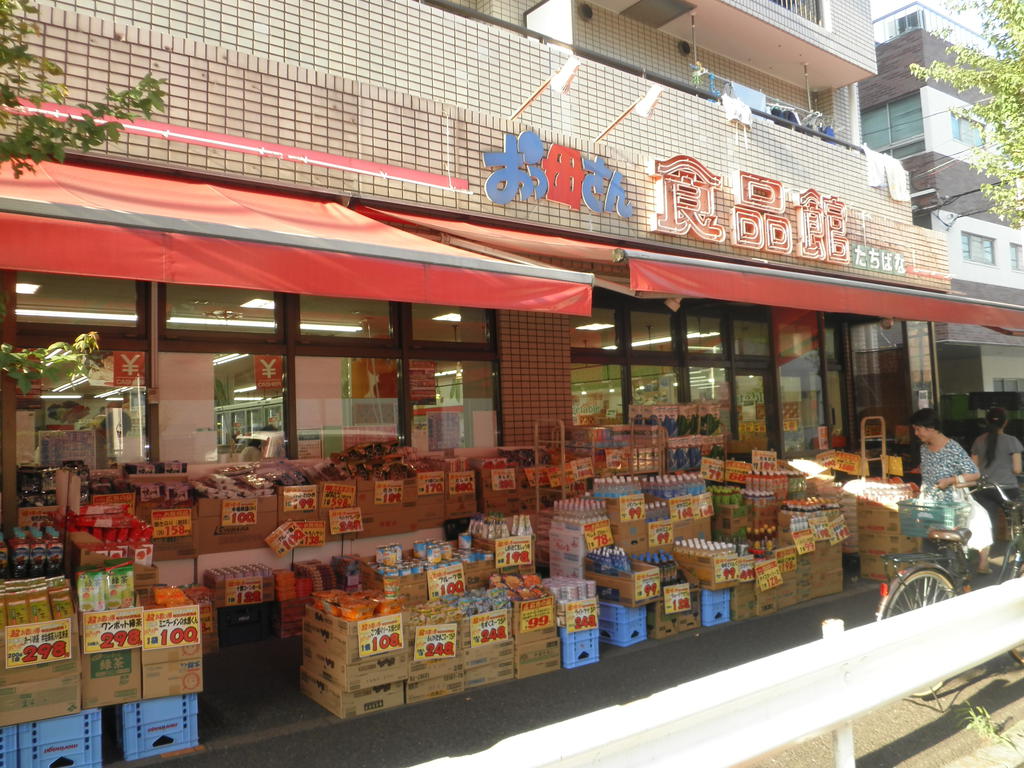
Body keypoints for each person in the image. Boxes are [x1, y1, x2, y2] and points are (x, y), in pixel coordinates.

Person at [911, 408, 984, 570]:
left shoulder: (953, 448)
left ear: (930, 428)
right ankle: (937, 584)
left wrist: (950, 480)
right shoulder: (924, 449)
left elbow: (974, 474)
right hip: (929, 509)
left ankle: (957, 587)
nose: (916, 433)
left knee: (950, 555)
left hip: (950, 512)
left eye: (918, 429)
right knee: (929, 552)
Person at [970, 407, 1022, 567]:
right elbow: (1017, 469)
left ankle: (983, 563)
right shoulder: (1012, 441)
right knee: (1018, 525)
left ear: (986, 422)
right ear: (1005, 422)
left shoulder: (978, 441)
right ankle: (1020, 561)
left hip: (985, 489)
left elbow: (973, 470)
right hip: (1008, 490)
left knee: (986, 525)